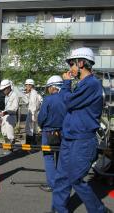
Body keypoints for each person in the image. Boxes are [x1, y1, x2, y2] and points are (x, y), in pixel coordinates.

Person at [52, 47, 108, 212]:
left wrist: (66, 83)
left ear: (81, 62)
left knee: (75, 178)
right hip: (70, 138)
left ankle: (99, 210)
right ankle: (58, 209)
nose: (70, 68)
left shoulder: (92, 84)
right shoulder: (82, 85)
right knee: (61, 177)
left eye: (72, 63)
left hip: (82, 140)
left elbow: (67, 102)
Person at [38, 75, 66, 192]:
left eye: (49, 87)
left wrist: (40, 125)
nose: (48, 90)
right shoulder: (67, 97)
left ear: (53, 87)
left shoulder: (48, 99)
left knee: (49, 157)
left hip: (49, 131)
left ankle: (52, 183)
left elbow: (42, 117)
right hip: (64, 131)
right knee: (60, 157)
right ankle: (61, 183)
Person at [0, 79, 19, 154]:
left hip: (11, 116)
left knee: (10, 134)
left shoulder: (14, 95)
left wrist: (6, 112)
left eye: (4, 89)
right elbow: (7, 107)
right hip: (6, 116)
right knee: (4, 132)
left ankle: (11, 149)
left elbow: (15, 108)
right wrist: (3, 113)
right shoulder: (6, 96)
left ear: (8, 87)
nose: (3, 91)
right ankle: (9, 147)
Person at [24, 79, 42, 144]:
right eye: (26, 85)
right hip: (32, 114)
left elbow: (34, 106)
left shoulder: (33, 94)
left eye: (27, 85)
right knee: (32, 130)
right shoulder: (32, 93)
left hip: (32, 114)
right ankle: (32, 144)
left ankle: (29, 146)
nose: (26, 86)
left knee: (30, 130)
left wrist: (33, 116)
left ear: (31, 85)